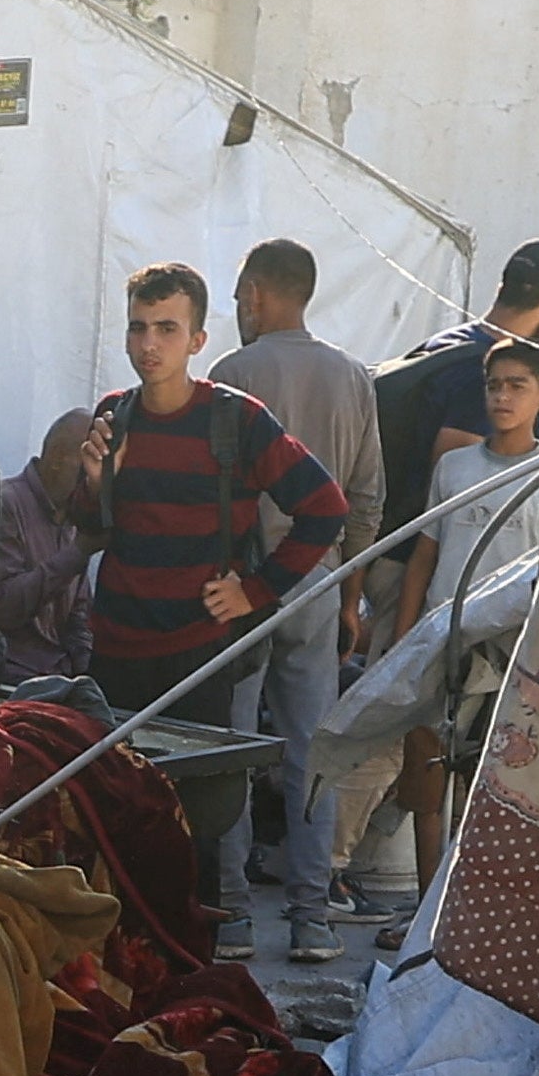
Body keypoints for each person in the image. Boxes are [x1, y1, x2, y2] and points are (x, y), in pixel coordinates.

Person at [85, 260, 345, 907]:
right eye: (139, 328)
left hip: (198, 658)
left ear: (198, 340)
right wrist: (95, 483)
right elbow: (90, 532)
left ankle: (189, 980)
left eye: (167, 329)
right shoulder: (114, 418)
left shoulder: (237, 420)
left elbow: (325, 508)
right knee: (111, 825)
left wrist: (256, 591)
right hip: (116, 652)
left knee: (191, 834)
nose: (150, 345)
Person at [210, 239, 384, 962]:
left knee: (228, 749)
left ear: (254, 292)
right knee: (312, 751)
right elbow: (366, 499)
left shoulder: (231, 375)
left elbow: (212, 498)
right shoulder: (352, 377)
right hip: (318, 579)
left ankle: (231, 918)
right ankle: (311, 918)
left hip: (247, 583)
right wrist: (350, 597)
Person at [367, 335, 539, 895]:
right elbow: (424, 554)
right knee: (426, 779)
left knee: (484, 782)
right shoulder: (454, 467)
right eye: (494, 385)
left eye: (517, 386)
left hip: (505, 648)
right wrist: (406, 640)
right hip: (440, 637)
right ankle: (424, 915)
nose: (502, 397)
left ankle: (462, 913)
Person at [371, 236, 539, 582]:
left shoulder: (448, 344)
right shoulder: (485, 372)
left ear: (501, 288)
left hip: (391, 552)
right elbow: (458, 501)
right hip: (416, 569)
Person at [0, 409, 101, 690]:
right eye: (83, 467)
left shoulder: (75, 512)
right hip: (9, 678)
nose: (90, 478)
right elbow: (2, 606)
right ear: (55, 458)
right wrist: (77, 553)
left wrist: (87, 671)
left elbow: (79, 615)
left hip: (59, 677)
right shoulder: (6, 504)